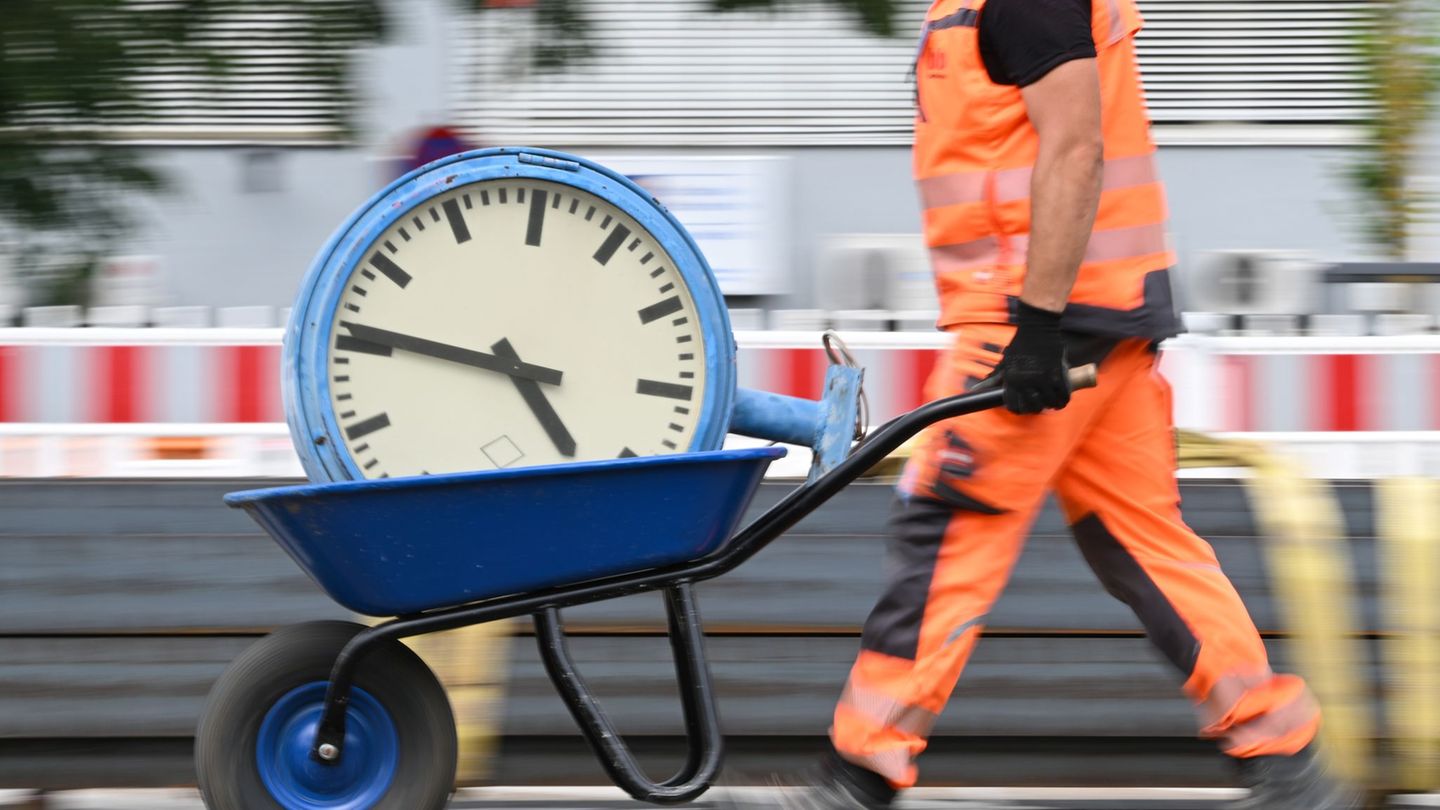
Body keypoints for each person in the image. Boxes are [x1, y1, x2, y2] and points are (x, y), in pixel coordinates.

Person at [763, 1, 1361, 808]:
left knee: (947, 531)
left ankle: (861, 771)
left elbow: (1076, 148)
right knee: (1144, 546)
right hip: (1106, 319)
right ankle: (1283, 755)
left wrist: (1037, 328)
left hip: (1032, 323)